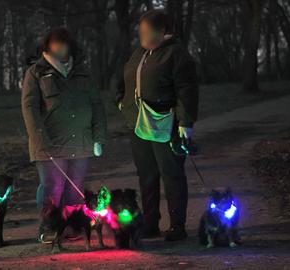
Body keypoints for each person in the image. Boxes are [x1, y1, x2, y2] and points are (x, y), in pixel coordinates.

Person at [116, 10, 199, 241]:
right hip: (138, 124)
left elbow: (187, 89)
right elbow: (124, 79)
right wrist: (121, 101)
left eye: (146, 31)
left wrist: (186, 121)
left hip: (166, 123)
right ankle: (150, 223)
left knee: (171, 173)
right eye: (140, 31)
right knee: (147, 175)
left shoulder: (176, 54)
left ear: (163, 31)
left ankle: (177, 226)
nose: (141, 35)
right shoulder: (138, 54)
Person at [21, 27, 107, 242]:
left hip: (81, 142)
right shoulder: (36, 73)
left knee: (75, 188)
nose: (60, 49)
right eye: (55, 45)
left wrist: (99, 137)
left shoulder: (82, 73)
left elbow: (96, 105)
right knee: (53, 188)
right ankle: (49, 228)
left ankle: (72, 226)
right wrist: (40, 139)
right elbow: (30, 109)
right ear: (47, 47)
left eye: (64, 44)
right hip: (51, 144)